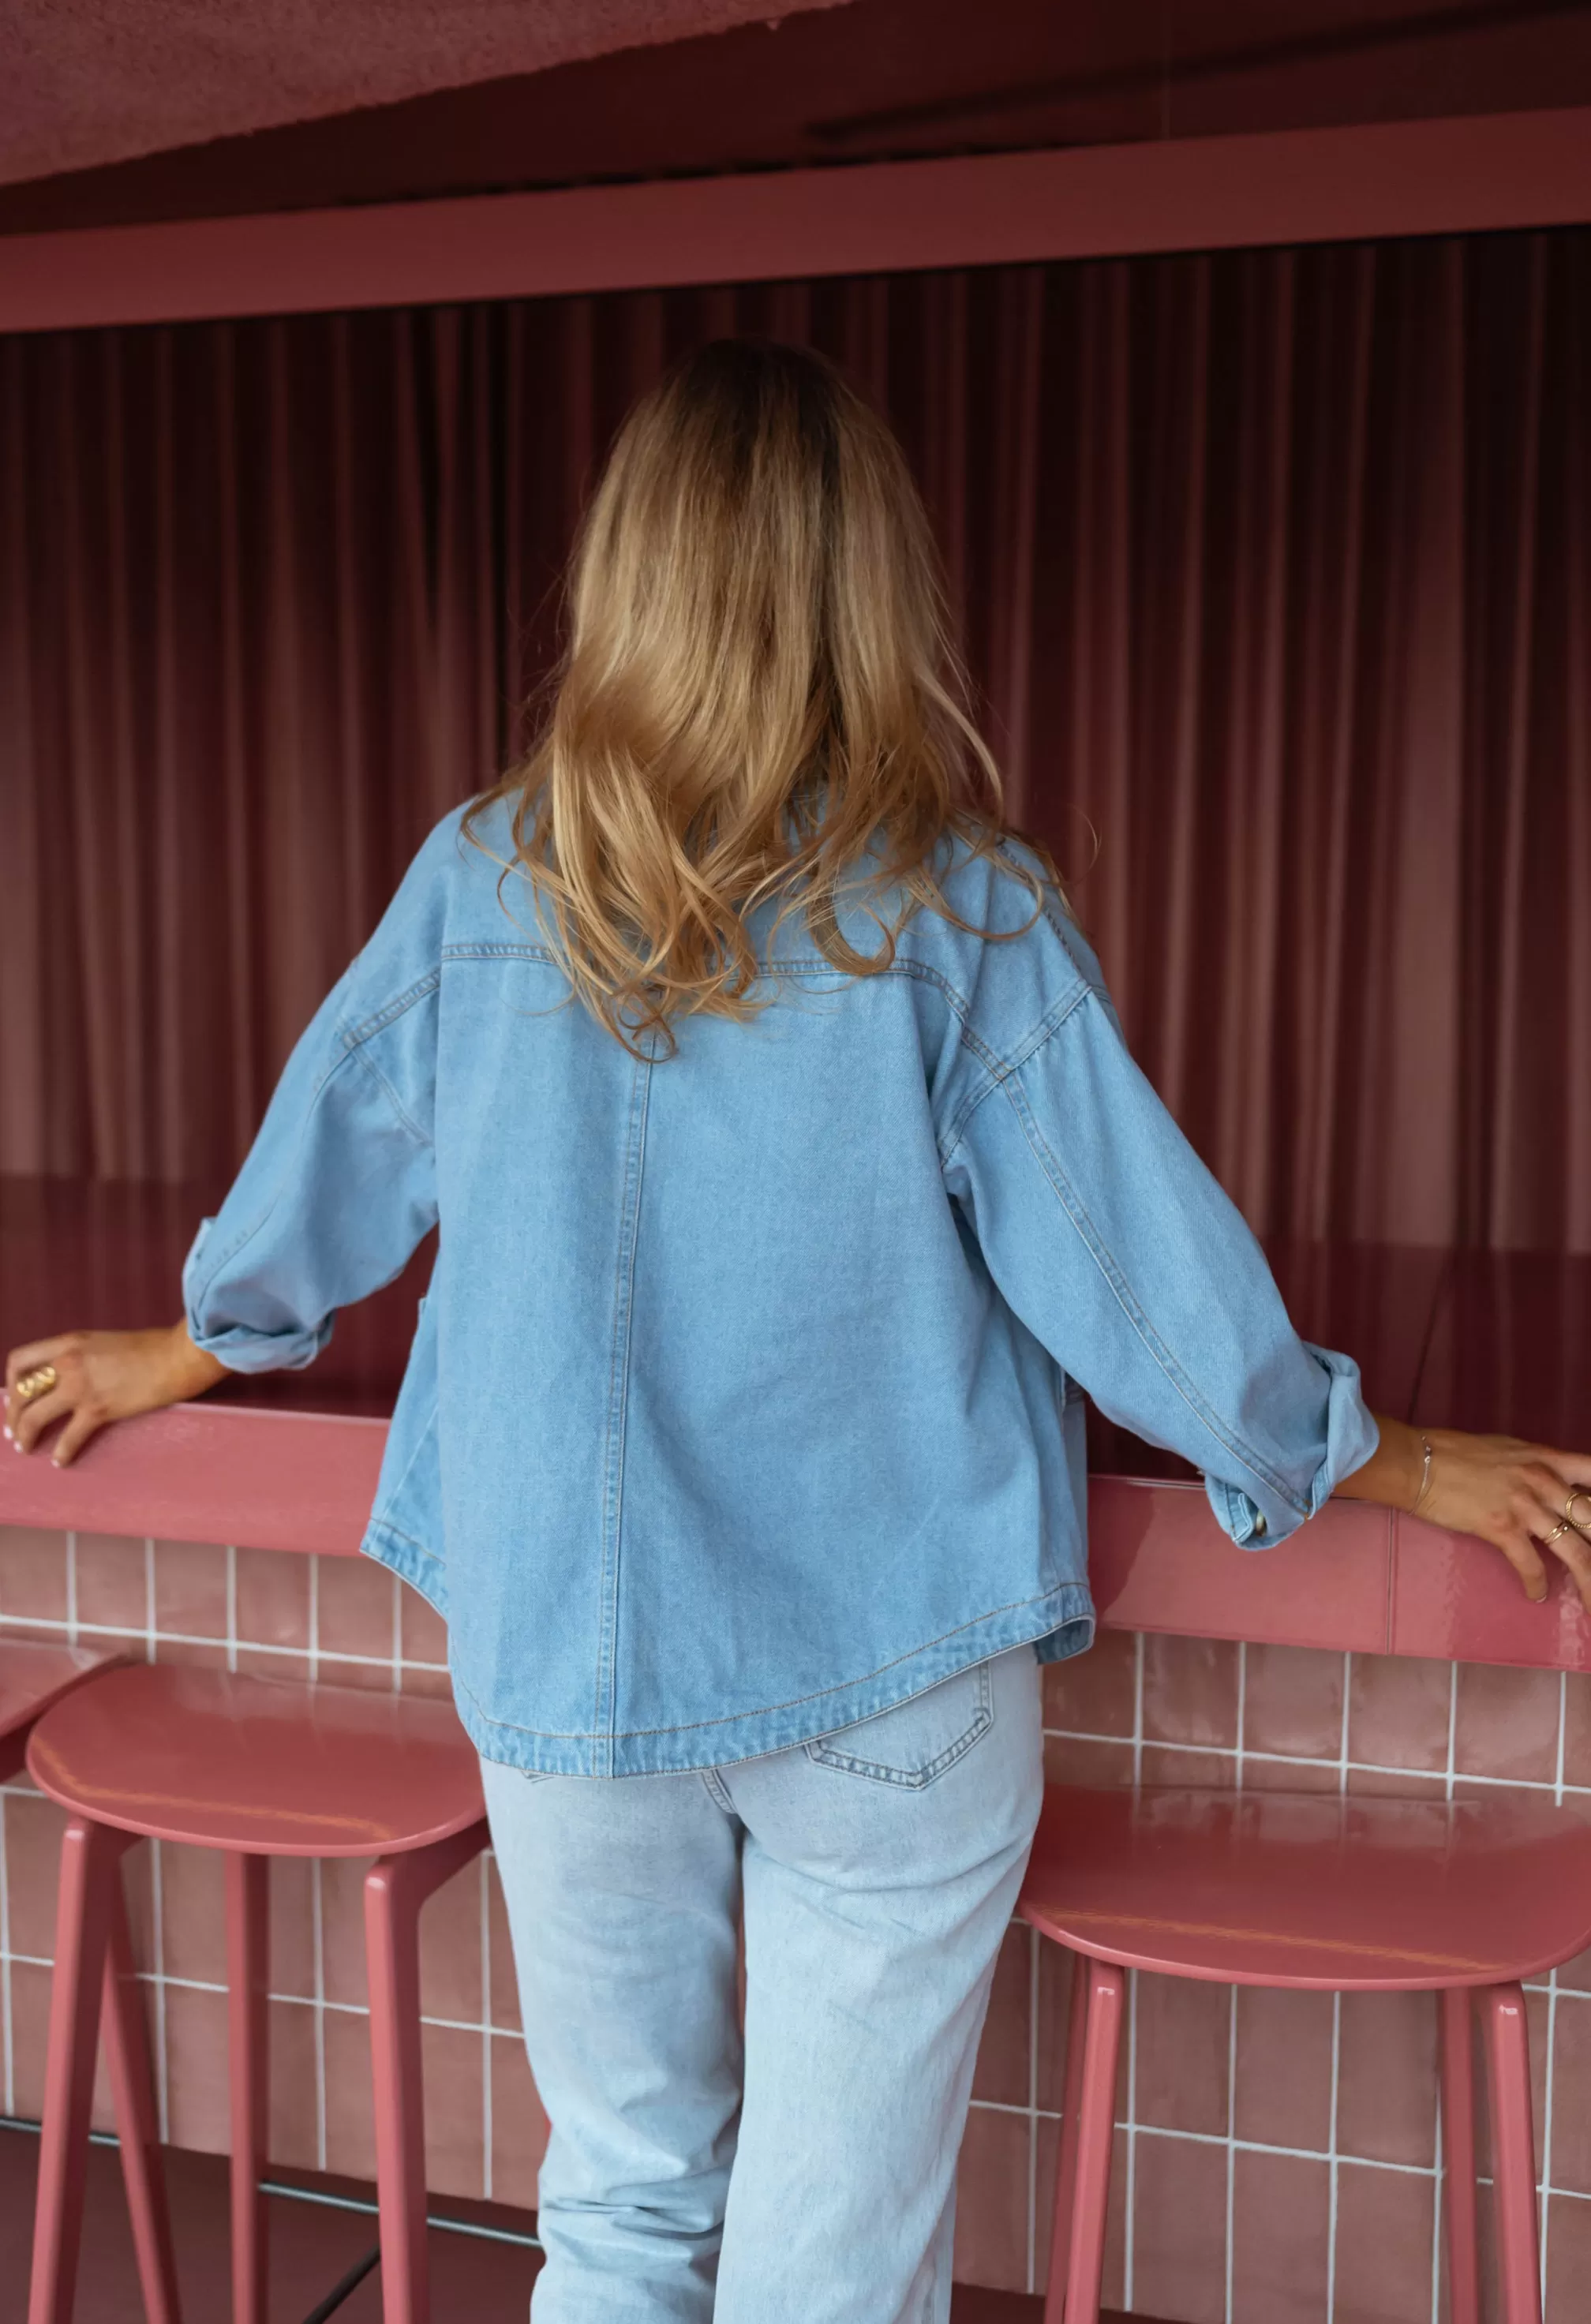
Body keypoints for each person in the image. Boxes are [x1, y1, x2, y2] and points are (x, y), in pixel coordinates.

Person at [6, 339, 1589, 2324]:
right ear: (875, 593)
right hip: (886, 1663)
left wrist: (187, 1345)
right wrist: (1393, 1459)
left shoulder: (483, 880)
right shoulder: (956, 909)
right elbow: (1139, 1281)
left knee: (618, 2206)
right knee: (826, 2274)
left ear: (623, 578)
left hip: (568, 1655)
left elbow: (323, 1167)